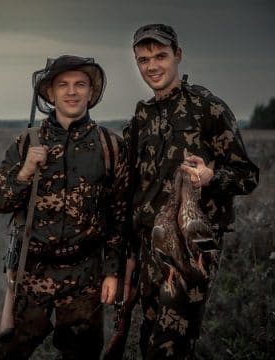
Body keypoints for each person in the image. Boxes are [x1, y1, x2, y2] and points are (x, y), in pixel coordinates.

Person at [123, 24, 259, 358]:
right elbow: (131, 187)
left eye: (160, 56)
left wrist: (211, 177)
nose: (152, 66)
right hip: (149, 250)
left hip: (191, 251)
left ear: (177, 56)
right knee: (148, 340)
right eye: (144, 60)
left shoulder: (207, 108)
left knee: (168, 347)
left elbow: (247, 175)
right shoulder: (142, 117)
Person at [0, 55, 129, 359]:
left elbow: (119, 214)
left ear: (91, 91)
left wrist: (112, 272)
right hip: (31, 272)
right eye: (63, 85)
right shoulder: (26, 143)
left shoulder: (109, 145)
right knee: (3, 352)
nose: (71, 91)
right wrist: (24, 172)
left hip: (85, 276)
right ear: (50, 93)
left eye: (80, 84)